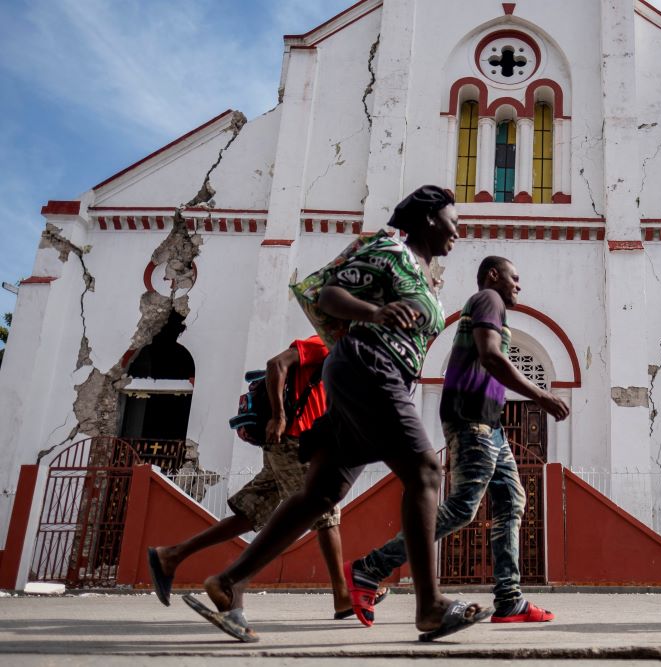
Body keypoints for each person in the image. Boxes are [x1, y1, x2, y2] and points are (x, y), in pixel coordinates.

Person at [184, 185, 490, 643]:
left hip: (378, 375)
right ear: (429, 218)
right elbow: (330, 296)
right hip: (369, 365)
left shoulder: (425, 274)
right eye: (453, 222)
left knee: (320, 495)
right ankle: (429, 606)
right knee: (427, 471)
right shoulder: (390, 249)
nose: (457, 233)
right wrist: (376, 311)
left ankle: (229, 581)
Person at [345, 256, 569, 626]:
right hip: (471, 419)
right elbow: (491, 356)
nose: (519, 285)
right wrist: (540, 395)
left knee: (511, 500)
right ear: (493, 276)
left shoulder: (493, 306)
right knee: (464, 507)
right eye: (514, 277)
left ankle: (509, 600)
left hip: (490, 426)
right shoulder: (488, 300)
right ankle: (369, 569)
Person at [147, 336, 386, 628]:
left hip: (295, 443)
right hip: (291, 441)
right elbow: (276, 364)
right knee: (324, 509)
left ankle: (171, 555)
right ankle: (340, 594)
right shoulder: (323, 343)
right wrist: (278, 416)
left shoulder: (346, 357)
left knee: (251, 515)